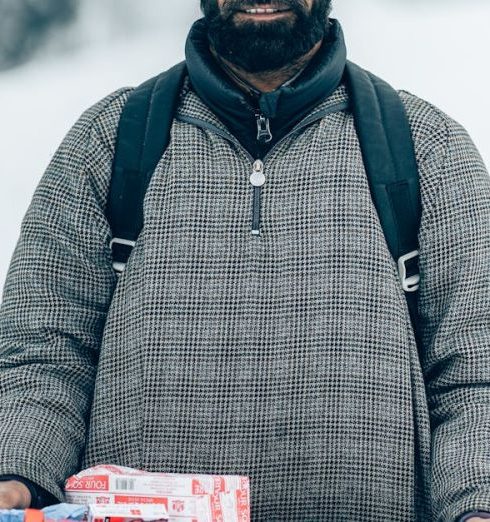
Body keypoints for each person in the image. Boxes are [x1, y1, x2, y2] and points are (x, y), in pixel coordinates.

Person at [0, 1, 489, 520]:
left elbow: (476, 377)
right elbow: (44, 354)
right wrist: (17, 471)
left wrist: (477, 502)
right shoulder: (108, 141)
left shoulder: (429, 148)